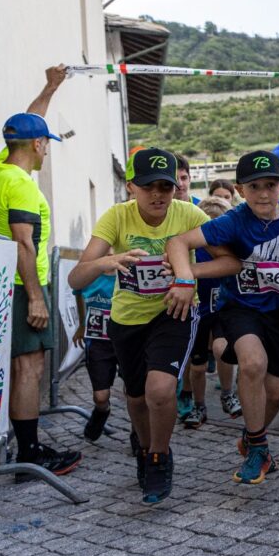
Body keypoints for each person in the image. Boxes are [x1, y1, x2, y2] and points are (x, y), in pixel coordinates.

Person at [68, 148, 229, 505]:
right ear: (131, 187)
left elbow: (229, 260)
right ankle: (143, 448)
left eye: (165, 186)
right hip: (126, 319)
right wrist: (108, 260)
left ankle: (159, 456)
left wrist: (189, 274)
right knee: (137, 397)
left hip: (174, 314)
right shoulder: (117, 217)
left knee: (160, 390)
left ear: (175, 188)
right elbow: (76, 278)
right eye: (148, 186)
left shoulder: (189, 213)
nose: (157, 194)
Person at [165, 150, 279, 485]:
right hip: (240, 307)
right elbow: (178, 242)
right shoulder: (233, 220)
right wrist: (185, 279)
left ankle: (253, 436)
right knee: (253, 363)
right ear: (241, 190)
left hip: (277, 312)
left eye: (270, 185)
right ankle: (259, 448)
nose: (263, 193)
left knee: (276, 392)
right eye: (254, 186)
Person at [0, 69, 84, 480]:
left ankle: (22, 448)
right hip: (20, 286)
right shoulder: (22, 187)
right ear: (35, 145)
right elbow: (24, 244)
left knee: (19, 367)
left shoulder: (2, 168)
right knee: (29, 368)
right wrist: (36, 296)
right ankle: (29, 456)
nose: (47, 150)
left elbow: (27, 120)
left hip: (7, 284)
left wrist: (50, 88)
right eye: (45, 144)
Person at [181, 196, 235, 429]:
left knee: (224, 351)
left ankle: (227, 394)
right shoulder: (195, 251)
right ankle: (199, 405)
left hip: (221, 311)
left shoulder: (231, 250)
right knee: (198, 365)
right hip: (197, 312)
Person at [71, 270, 117, 442]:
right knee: (101, 396)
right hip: (98, 341)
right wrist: (82, 324)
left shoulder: (126, 271)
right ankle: (102, 411)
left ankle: (138, 434)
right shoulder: (88, 271)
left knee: (133, 392)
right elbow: (77, 291)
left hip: (126, 339)